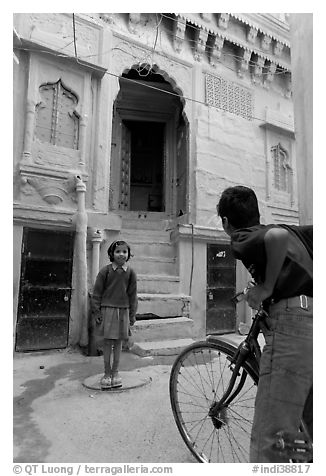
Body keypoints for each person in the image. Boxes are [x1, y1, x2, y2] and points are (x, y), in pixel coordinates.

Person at [217, 185, 313, 463]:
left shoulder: (242, 236)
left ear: (225, 222)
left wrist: (267, 288)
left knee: (271, 439)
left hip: (292, 326)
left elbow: (277, 237)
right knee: (303, 419)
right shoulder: (291, 229)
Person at [91, 240, 138, 389]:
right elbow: (97, 293)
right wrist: (96, 311)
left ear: (128, 254)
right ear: (112, 254)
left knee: (118, 343)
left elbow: (132, 295)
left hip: (123, 311)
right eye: (118, 251)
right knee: (107, 343)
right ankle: (106, 373)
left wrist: (132, 314)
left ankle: (115, 373)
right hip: (107, 310)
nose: (121, 254)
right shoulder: (105, 271)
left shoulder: (130, 273)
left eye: (124, 251)